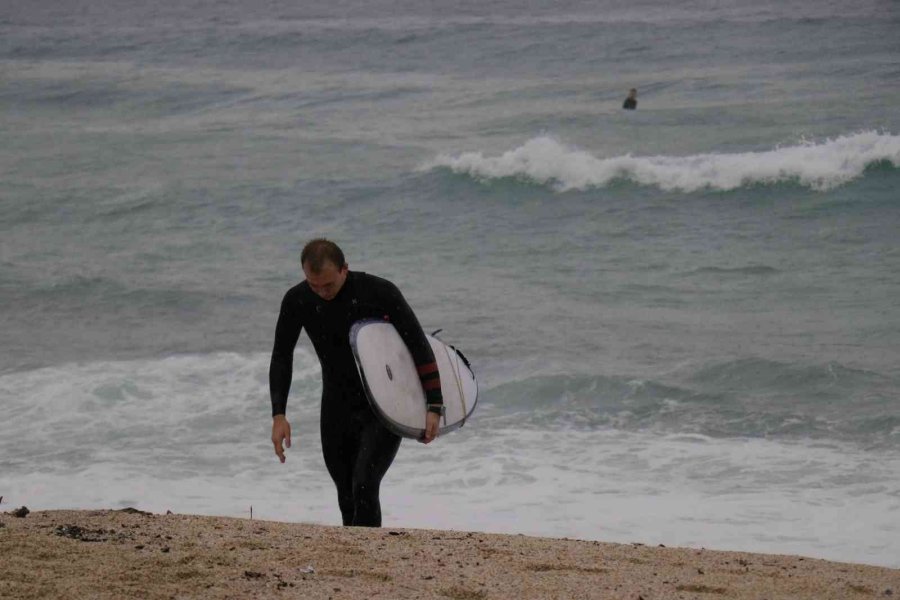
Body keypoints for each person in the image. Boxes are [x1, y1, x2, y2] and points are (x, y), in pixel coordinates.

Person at [269, 238, 443, 527]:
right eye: (313, 285)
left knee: (364, 485)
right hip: (336, 406)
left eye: (328, 285)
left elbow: (418, 345)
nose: (321, 293)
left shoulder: (378, 292)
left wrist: (433, 404)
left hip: (383, 405)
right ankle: (360, 561)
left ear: (344, 270)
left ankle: (370, 558)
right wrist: (279, 414)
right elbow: (281, 357)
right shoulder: (297, 300)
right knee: (346, 493)